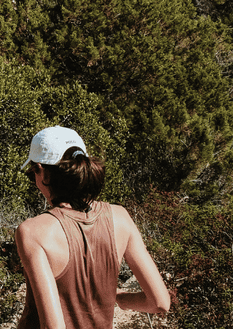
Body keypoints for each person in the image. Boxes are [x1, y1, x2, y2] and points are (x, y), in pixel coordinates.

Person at [15, 126, 170, 329]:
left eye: (33, 172)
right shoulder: (120, 217)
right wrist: (119, 298)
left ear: (43, 172)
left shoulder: (33, 232)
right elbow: (159, 302)